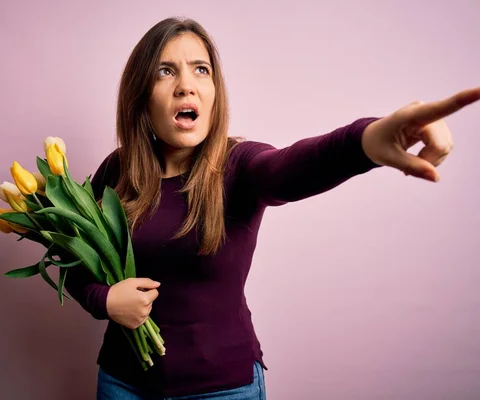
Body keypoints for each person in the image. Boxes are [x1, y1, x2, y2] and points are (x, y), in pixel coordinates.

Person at [64, 17, 479, 400]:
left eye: (200, 69)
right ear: (141, 93)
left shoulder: (241, 165)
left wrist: (365, 142)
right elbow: (73, 257)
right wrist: (104, 300)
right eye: (165, 70)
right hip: (123, 385)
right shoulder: (118, 171)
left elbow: (295, 166)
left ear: (214, 92)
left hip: (223, 389)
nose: (186, 85)